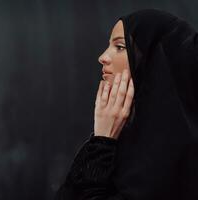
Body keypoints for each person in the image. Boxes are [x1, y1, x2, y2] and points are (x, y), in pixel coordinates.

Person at [54, 9, 198, 200]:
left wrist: (102, 143)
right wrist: (102, 140)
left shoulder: (172, 154)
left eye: (120, 47)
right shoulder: (124, 135)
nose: (103, 57)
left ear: (152, 59)